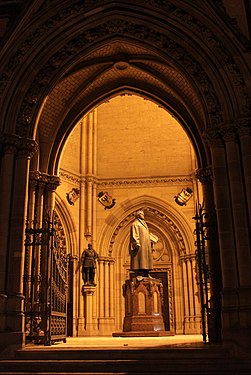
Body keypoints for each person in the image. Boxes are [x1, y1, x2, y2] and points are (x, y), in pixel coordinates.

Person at [129, 210, 153, 277]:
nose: (143, 215)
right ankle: (138, 274)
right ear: (138, 215)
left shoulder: (144, 223)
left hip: (146, 244)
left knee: (146, 260)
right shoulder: (135, 224)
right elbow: (134, 234)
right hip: (140, 245)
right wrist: (136, 243)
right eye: (142, 214)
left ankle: (146, 273)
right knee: (140, 260)